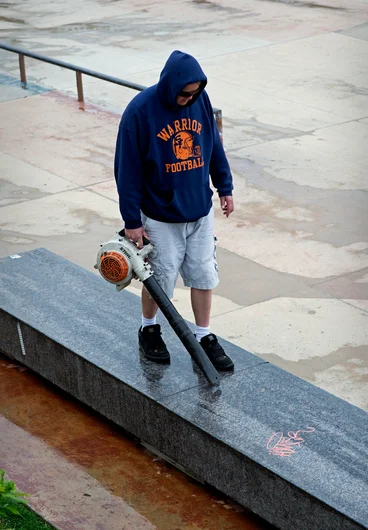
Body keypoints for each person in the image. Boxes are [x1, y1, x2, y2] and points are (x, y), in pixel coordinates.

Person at [114, 50, 235, 371]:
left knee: (204, 273)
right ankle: (148, 329)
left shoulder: (200, 101)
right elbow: (127, 170)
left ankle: (204, 335)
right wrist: (131, 221)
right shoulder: (140, 112)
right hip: (159, 216)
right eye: (185, 93)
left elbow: (213, 146)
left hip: (199, 210)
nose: (190, 98)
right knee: (160, 279)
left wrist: (224, 187)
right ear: (170, 84)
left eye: (195, 93)